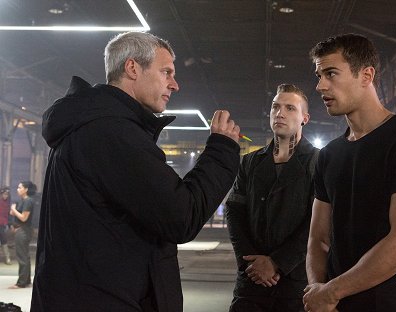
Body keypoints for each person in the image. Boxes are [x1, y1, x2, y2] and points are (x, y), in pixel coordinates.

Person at [31, 31, 241, 312]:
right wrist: (221, 152)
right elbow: (182, 216)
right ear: (132, 68)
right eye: (166, 72)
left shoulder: (89, 126)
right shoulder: (111, 133)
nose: (175, 84)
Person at [303, 34, 396, 312]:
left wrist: (330, 292)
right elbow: (318, 239)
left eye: (331, 73)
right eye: (319, 75)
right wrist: (318, 291)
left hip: (392, 305)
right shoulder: (329, 155)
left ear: (366, 75)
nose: (320, 86)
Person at [226, 84, 320, 312]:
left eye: (290, 108)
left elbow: (317, 222)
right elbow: (234, 212)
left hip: (294, 285)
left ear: (304, 118)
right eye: (275, 107)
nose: (280, 113)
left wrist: (277, 263)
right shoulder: (250, 162)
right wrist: (252, 264)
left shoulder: (319, 163)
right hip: (251, 283)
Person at [9, 181, 37, 288]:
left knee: (22, 256)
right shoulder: (23, 200)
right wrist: (14, 211)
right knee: (25, 256)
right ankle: (26, 280)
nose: (17, 189)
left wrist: (13, 209)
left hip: (24, 230)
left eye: (20, 187)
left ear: (26, 189)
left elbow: (23, 218)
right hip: (22, 229)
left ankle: (21, 283)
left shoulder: (28, 201)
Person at [0, 187, 12, 265]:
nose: (6, 196)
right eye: (4, 194)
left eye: (7, 194)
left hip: (3, 225)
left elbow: (8, 215)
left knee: (4, 242)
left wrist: (9, 224)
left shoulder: (8, 203)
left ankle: (7, 258)